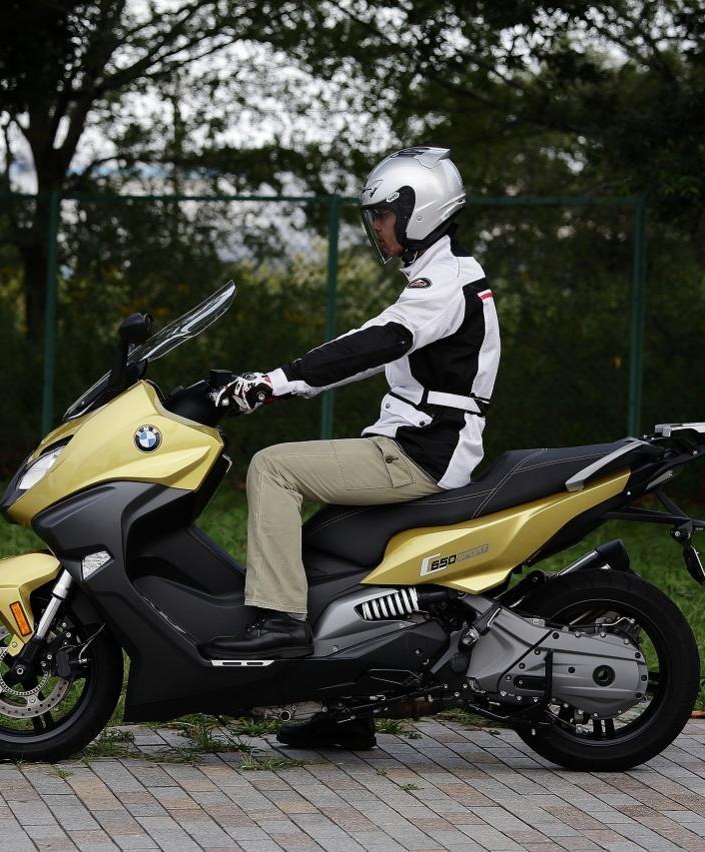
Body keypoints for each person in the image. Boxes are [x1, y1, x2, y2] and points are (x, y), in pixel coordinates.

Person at [202, 146, 500, 747]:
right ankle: (348, 709)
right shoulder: (443, 274)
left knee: (273, 468)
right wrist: (280, 382)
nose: (378, 226)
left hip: (423, 453)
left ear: (420, 210)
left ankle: (281, 624)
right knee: (325, 552)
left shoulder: (445, 282)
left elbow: (378, 341)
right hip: (414, 443)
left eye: (385, 214)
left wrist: (275, 383)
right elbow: (376, 346)